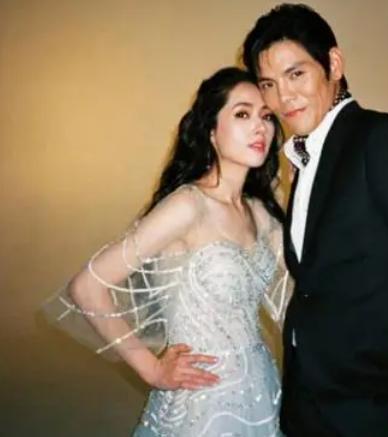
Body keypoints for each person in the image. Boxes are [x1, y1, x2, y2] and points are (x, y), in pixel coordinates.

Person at [242, 4, 388, 437]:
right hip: (308, 405)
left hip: (375, 409)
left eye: (296, 74)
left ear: (333, 64)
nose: (283, 97)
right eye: (268, 84)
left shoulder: (384, 139)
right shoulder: (304, 160)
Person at [47, 67, 289, 436]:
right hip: (203, 404)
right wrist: (152, 369)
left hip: (264, 392)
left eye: (267, 116)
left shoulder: (259, 213)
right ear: (211, 131)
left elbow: (306, 294)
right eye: (242, 114)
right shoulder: (188, 205)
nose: (260, 127)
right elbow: (86, 287)